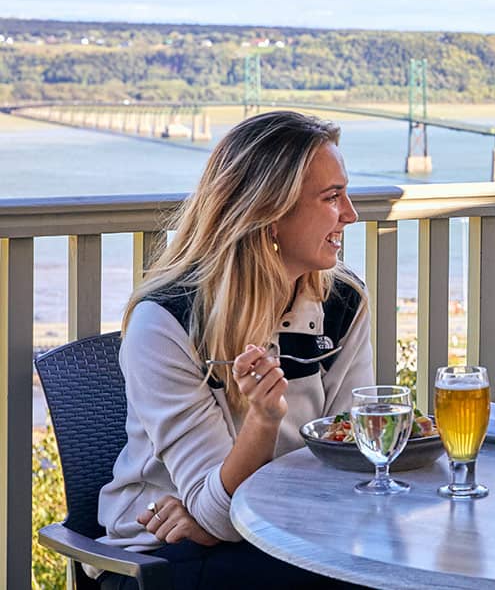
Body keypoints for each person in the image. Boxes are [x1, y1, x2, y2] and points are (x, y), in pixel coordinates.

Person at [97, 111, 372, 589]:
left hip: (287, 530)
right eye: (332, 197)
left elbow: (354, 456)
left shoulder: (343, 301)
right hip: (158, 557)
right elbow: (222, 518)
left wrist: (214, 515)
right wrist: (263, 421)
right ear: (270, 213)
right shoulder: (167, 322)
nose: (351, 214)